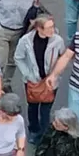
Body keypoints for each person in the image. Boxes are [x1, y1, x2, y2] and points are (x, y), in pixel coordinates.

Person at [14, 14, 66, 144]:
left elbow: (63, 57)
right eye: (48, 28)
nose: (52, 30)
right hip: (32, 81)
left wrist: (55, 74)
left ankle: (44, 134)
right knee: (32, 106)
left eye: (52, 26)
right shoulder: (25, 41)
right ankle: (33, 129)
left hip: (50, 80)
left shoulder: (57, 41)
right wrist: (28, 75)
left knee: (46, 109)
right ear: (39, 28)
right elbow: (18, 58)